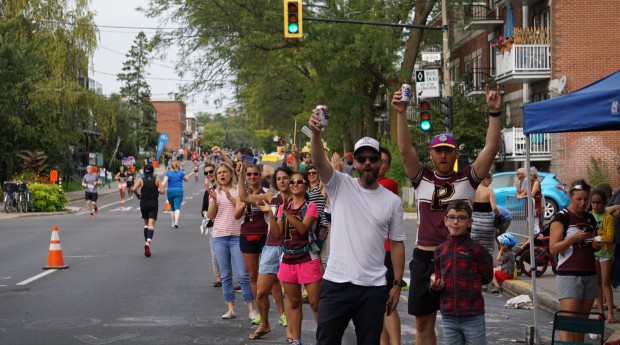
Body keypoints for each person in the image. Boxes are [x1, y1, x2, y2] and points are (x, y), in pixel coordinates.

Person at [393, 84, 501, 345]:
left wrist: (494, 114)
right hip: (425, 256)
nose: (443, 154)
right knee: (423, 324)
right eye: (438, 150)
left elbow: (490, 148)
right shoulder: (422, 178)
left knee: (463, 321)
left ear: (455, 154)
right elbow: (406, 150)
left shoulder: (468, 178)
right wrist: (400, 113)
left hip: (458, 256)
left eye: (448, 150)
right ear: (431, 154)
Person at [309, 110, 406, 344]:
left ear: (380, 162)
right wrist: (315, 133)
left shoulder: (392, 201)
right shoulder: (340, 184)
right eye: (361, 159)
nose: (367, 163)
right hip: (336, 284)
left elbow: (397, 244)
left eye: (373, 158)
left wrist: (396, 284)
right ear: (356, 163)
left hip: (373, 289)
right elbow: (319, 161)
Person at [262, 171, 320, 345]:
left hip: (307, 258)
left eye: (299, 181)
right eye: (292, 182)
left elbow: (303, 229)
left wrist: (286, 213)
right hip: (288, 259)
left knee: (315, 303)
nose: (294, 184)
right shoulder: (281, 207)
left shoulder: (310, 206)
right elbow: (277, 232)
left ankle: (325, 338)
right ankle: (296, 339)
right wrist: (272, 215)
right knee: (294, 303)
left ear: (305, 185)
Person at [429, 200, 493, 345]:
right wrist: (435, 287)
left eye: (461, 218)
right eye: (452, 217)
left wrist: (472, 283)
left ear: (469, 222)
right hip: (448, 315)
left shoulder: (477, 249)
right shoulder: (440, 250)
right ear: (445, 221)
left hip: (473, 314)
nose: (455, 222)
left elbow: (487, 276)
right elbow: (438, 276)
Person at [549, 180, 601, 342]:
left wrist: (595, 245)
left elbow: (591, 247)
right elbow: (554, 248)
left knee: (581, 323)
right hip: (569, 274)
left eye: (586, 199)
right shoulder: (561, 217)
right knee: (568, 322)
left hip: (589, 272)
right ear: (570, 197)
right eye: (578, 199)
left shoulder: (590, 218)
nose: (583, 203)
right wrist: (573, 238)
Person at [247, 166, 293, 340]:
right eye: (279, 178)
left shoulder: (297, 198)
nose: (282, 181)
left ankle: (291, 331)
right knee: (260, 293)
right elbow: (244, 197)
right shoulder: (271, 198)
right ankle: (264, 324)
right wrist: (239, 173)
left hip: (290, 248)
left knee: (289, 293)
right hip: (271, 247)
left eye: (285, 178)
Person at [207, 162, 256, 320]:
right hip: (219, 237)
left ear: (230, 174)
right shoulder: (214, 192)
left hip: (237, 237)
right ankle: (231, 308)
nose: (221, 175)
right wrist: (214, 200)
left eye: (224, 172)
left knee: (242, 275)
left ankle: (251, 309)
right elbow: (211, 216)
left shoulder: (238, 191)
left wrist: (231, 198)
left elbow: (242, 212)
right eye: (219, 173)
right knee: (226, 275)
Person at [235, 163, 270, 324]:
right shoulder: (242, 193)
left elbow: (270, 209)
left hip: (265, 235)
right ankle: (259, 311)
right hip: (247, 234)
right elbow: (236, 215)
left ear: (260, 175)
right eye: (249, 175)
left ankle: (280, 311)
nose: (252, 177)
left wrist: (257, 202)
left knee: (271, 275)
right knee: (253, 275)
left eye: (255, 174)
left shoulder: (266, 193)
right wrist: (245, 201)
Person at [376, 147, 401, 345]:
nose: (378, 164)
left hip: (386, 251)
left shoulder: (388, 184)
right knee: (376, 306)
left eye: (383, 161)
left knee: (387, 303)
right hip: (371, 251)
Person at [591, 189, 616, 323]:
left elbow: (610, 236)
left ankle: (610, 313)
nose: (596, 205)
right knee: (597, 283)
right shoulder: (589, 216)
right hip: (593, 253)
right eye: (593, 202)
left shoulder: (608, 217)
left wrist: (597, 236)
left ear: (604, 203)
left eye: (599, 203)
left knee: (606, 282)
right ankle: (600, 311)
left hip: (605, 253)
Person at [130, 164, 164, 257]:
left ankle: (146, 242)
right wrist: (156, 189)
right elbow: (162, 191)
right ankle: (148, 243)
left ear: (144, 171)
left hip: (144, 203)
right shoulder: (157, 179)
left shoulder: (141, 180)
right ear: (153, 171)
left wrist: (137, 195)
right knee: (151, 225)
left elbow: (133, 189)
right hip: (153, 203)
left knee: (146, 224)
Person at [471, 172, 502, 258]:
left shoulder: (473, 190)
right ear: (485, 179)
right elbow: (494, 208)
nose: (490, 182)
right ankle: (487, 267)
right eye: (490, 180)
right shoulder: (489, 191)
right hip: (488, 223)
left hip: (475, 222)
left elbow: (470, 204)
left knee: (474, 247)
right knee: (488, 247)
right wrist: (499, 216)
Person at [201, 163, 221, 287]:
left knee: (230, 252)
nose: (209, 174)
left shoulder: (225, 188)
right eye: (206, 173)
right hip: (212, 225)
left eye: (211, 171)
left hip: (226, 224)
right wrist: (207, 215)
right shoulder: (208, 191)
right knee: (214, 253)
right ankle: (219, 277)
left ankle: (236, 277)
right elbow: (203, 209)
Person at [162, 161, 188, 228]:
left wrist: (159, 188)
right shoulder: (180, 173)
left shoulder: (168, 174)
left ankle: (173, 222)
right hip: (179, 191)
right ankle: (176, 221)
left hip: (170, 191)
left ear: (171, 166)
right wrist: (182, 174)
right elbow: (186, 179)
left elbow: (163, 183)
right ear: (178, 166)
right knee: (177, 207)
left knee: (172, 208)